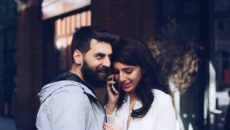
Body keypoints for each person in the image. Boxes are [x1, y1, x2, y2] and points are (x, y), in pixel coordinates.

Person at [36, 26, 119, 130]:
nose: (108, 63)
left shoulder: (76, 91)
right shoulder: (71, 96)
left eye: (109, 57)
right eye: (99, 56)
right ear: (78, 57)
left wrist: (110, 105)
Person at [104, 38, 176, 130]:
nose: (121, 78)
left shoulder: (161, 101)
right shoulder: (117, 101)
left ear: (143, 69)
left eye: (128, 71)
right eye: (117, 72)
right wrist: (111, 104)